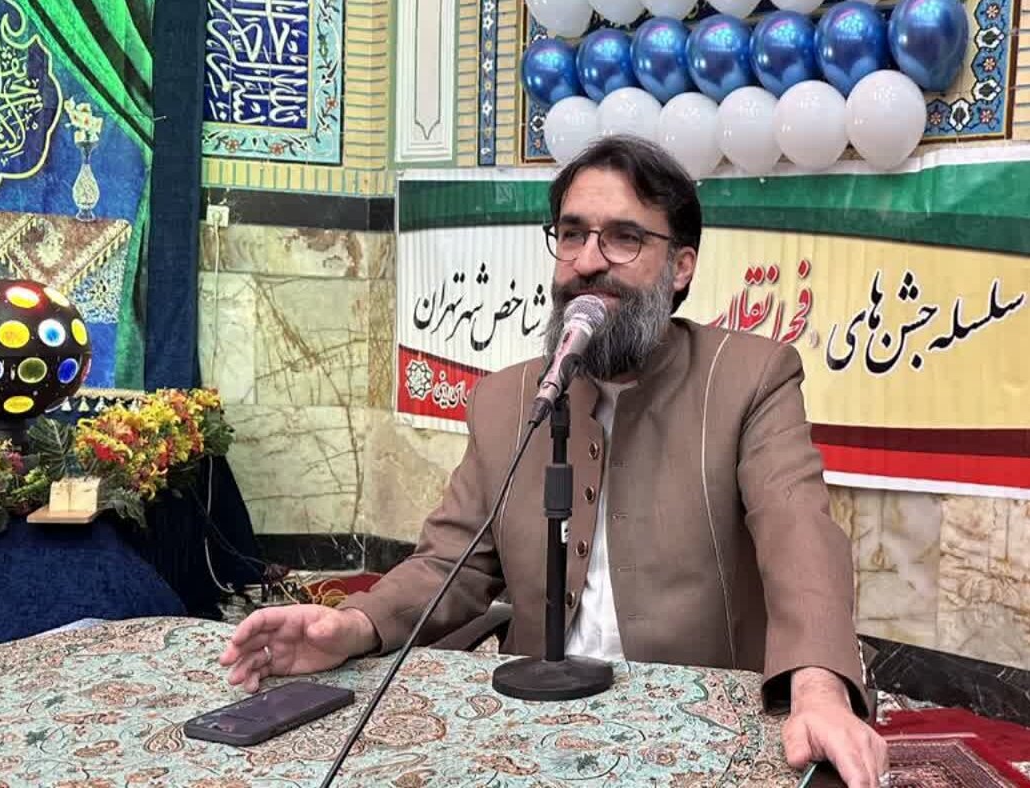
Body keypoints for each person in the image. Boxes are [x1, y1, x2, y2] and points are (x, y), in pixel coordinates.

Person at [220, 136, 889, 787]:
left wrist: (818, 689)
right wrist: (352, 626)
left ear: (681, 266)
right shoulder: (509, 398)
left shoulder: (748, 377)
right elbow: (451, 561)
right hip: (534, 729)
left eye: (623, 237)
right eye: (572, 235)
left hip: (698, 730)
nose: (588, 261)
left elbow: (797, 532)